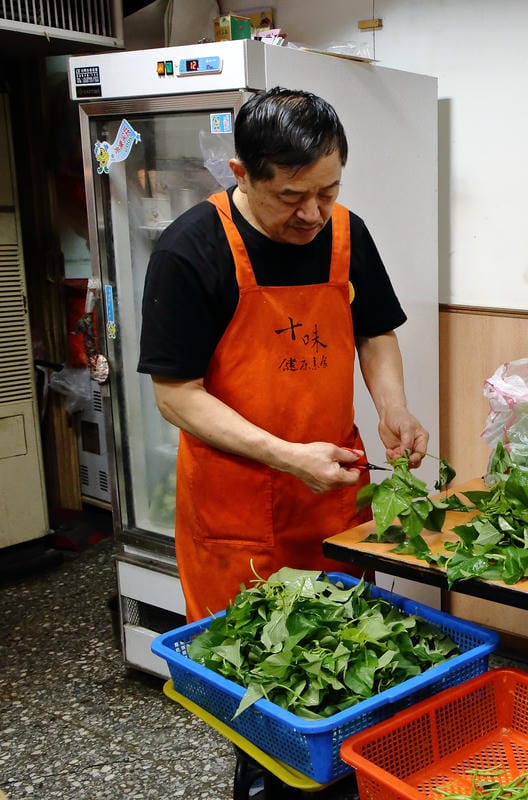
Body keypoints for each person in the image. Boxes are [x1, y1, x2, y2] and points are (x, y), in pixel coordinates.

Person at [138, 87, 428, 622]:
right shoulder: (192, 249)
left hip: (331, 493)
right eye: (292, 196)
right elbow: (176, 395)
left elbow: (375, 332)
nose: (313, 213)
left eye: (329, 191)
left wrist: (393, 407)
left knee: (342, 648)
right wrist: (287, 456)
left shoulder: (347, 233)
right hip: (237, 504)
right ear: (241, 173)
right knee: (249, 664)